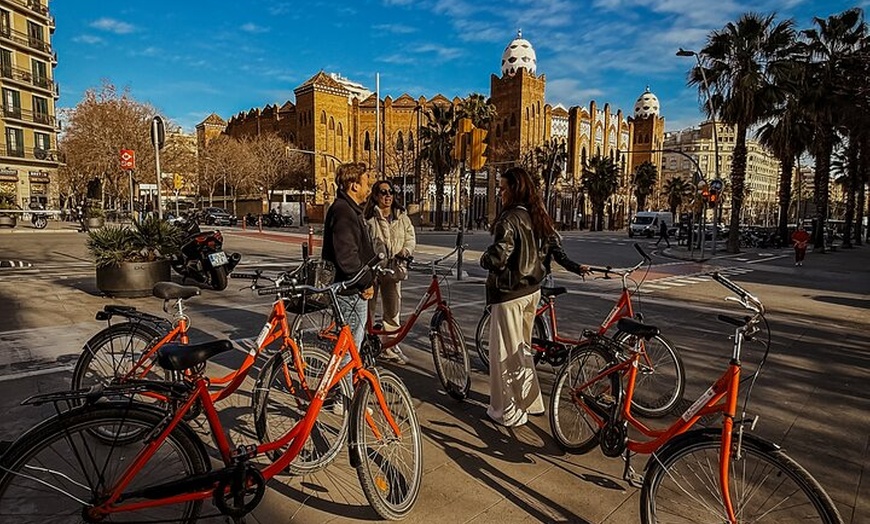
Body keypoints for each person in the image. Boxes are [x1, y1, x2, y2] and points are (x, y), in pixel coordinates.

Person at [480, 166, 588, 428]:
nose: (500, 194)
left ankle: (508, 411)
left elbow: (499, 257)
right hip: (532, 292)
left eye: (503, 188)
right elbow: (557, 251)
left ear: (514, 189)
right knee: (522, 349)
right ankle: (531, 401)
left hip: (510, 293)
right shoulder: (538, 215)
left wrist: (485, 258)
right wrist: (576, 267)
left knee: (505, 353)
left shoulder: (509, 219)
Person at [322, 162, 376, 357]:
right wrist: (365, 282)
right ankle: (341, 378)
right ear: (354, 186)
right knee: (349, 349)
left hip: (351, 289)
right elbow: (347, 257)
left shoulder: (348, 209)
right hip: (350, 291)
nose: (369, 189)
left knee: (351, 345)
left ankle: (342, 376)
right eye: (366, 184)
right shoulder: (344, 212)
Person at [364, 180, 416, 365]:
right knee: (367, 309)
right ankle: (365, 344)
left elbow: (410, 238)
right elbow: (363, 242)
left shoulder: (401, 216)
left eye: (391, 192)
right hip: (372, 270)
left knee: (393, 311)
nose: (388, 196)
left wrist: (406, 251)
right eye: (383, 192)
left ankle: (390, 347)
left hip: (393, 269)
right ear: (376, 195)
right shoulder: (369, 218)